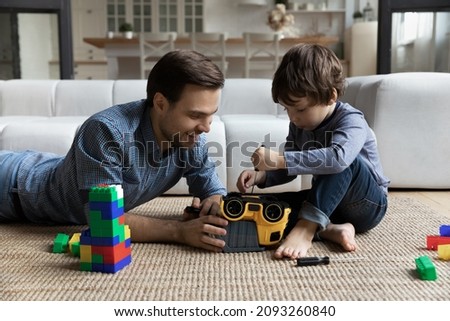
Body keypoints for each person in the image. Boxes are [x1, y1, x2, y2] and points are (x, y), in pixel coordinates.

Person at [0, 50, 229, 253]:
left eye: (211, 115)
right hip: (12, 187)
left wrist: (212, 204)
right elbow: (105, 221)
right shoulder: (106, 131)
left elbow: (212, 190)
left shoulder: (189, 138)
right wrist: (179, 231)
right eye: (195, 115)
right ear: (160, 103)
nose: (206, 127)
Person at [236, 44, 390, 260]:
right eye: (286, 109)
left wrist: (278, 159)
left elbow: (338, 160)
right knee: (271, 207)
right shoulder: (299, 125)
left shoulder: (352, 120)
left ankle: (306, 228)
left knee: (341, 159)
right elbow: (289, 168)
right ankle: (331, 229)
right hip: (328, 202)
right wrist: (262, 176)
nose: (292, 117)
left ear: (330, 96)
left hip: (367, 205)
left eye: (299, 109)